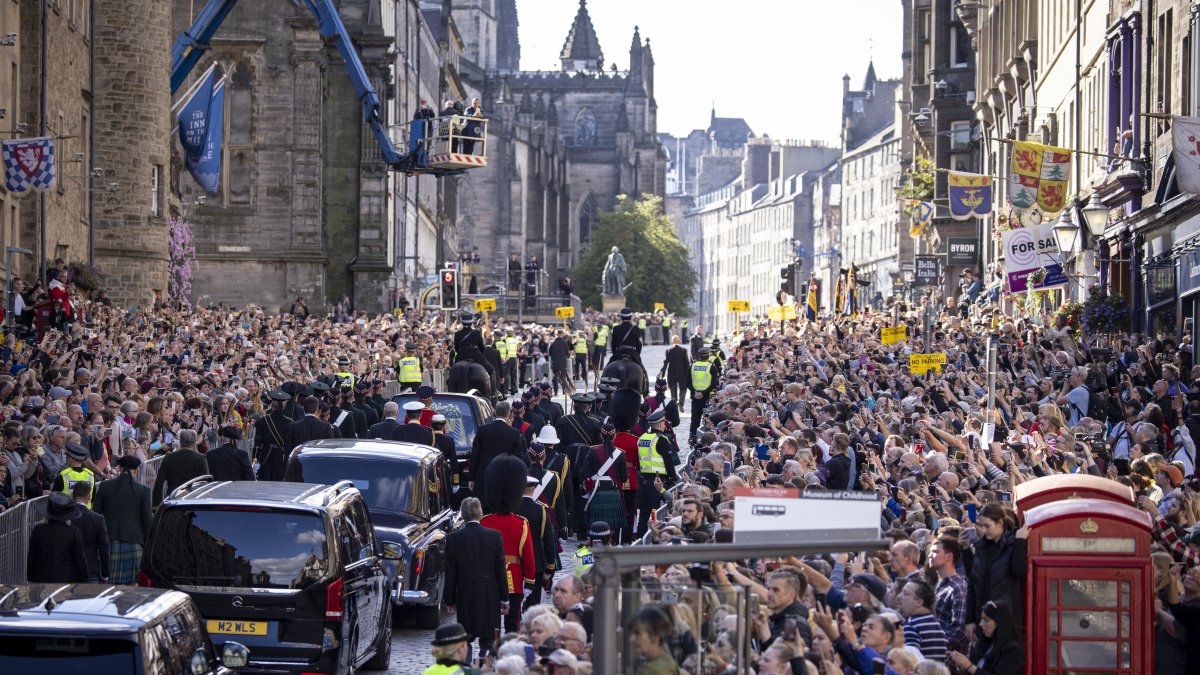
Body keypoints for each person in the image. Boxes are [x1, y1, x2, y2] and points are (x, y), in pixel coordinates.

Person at [444, 498, 506, 663]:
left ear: (463, 515)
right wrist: (505, 598)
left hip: (466, 593)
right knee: (489, 639)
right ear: (480, 513)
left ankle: (466, 667)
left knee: (465, 638)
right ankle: (485, 665)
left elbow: (450, 573)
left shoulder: (453, 539)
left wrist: (450, 600)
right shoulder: (494, 536)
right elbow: (500, 570)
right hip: (489, 594)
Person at [480, 456, 537, 632]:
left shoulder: (484, 522)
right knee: (512, 625)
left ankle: (489, 647)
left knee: (490, 625)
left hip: (489, 578)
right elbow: (528, 557)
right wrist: (529, 582)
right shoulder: (521, 523)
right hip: (514, 579)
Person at [966, 503, 1028, 642]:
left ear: (1000, 523)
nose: (983, 530)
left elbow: (1018, 571)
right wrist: (969, 620)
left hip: (1005, 620)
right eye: (981, 525)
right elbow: (973, 584)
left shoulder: (1013, 544)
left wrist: (1020, 543)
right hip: (982, 619)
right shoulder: (981, 547)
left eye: (987, 526)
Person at [92, 454, 153, 584]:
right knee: (133, 588)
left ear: (120, 468)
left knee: (111, 588)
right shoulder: (144, 491)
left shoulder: (104, 486)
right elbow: (148, 522)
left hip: (110, 543)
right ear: (135, 471)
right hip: (135, 544)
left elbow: (96, 515)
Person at [469, 401, 527, 503]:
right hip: (504, 479)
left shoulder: (482, 430)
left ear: (495, 412)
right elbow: (519, 459)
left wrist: (471, 478)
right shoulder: (514, 433)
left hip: (483, 478)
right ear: (509, 413)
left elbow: (474, 456)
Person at [947, 600, 1024, 675]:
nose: (981, 624)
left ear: (1000, 622)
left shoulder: (1013, 651)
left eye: (986, 620)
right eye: (981, 619)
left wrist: (969, 666)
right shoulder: (982, 644)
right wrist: (959, 664)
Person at [26, 492, 89, 583]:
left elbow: (32, 557)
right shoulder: (73, 532)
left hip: (41, 580)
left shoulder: (38, 530)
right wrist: (85, 580)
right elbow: (80, 559)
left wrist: (30, 577)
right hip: (67, 582)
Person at [152, 429, 208, 507]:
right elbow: (205, 482)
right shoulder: (201, 459)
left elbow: (159, 482)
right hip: (193, 499)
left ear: (180, 441)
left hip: (173, 498)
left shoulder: (169, 458)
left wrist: (156, 504)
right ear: (194, 443)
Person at [71, 480, 110, 582]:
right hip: (91, 569)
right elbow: (103, 547)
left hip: (69, 570)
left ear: (72, 495)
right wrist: (105, 573)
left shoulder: (65, 517)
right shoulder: (98, 519)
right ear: (89, 497)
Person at [628, 605, 680, 675]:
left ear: (655, 635)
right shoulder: (668, 662)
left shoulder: (651, 670)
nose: (631, 639)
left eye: (637, 633)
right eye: (631, 633)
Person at [661, 336, 691, 406]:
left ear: (672, 341)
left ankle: (674, 403)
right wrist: (688, 374)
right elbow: (687, 363)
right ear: (679, 341)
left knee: (673, 388)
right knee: (683, 388)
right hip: (682, 373)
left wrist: (662, 373)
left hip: (672, 373)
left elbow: (665, 363)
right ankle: (681, 402)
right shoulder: (684, 350)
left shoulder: (668, 351)